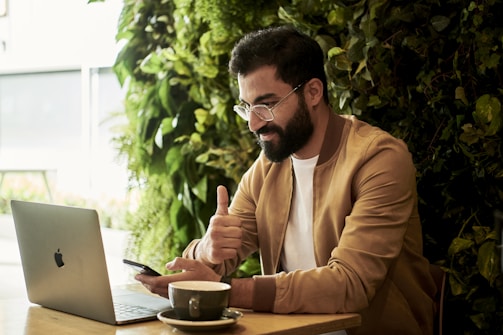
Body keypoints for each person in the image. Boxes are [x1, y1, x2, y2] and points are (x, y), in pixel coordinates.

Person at [135, 25, 437, 335]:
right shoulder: (268, 167)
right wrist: (208, 251)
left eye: (266, 105)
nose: (254, 123)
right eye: (247, 107)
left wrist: (227, 290)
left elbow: (350, 284)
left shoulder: (378, 158)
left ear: (313, 92)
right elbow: (210, 266)